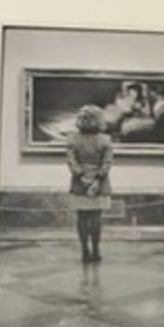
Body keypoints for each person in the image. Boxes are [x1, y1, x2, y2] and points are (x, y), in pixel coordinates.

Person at [64, 103, 113, 264]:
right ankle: (96, 250)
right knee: (96, 217)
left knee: (82, 217)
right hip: (100, 184)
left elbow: (71, 162)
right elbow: (107, 163)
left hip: (79, 183)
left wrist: (82, 177)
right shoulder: (105, 139)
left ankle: (85, 251)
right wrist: (97, 179)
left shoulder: (72, 139)